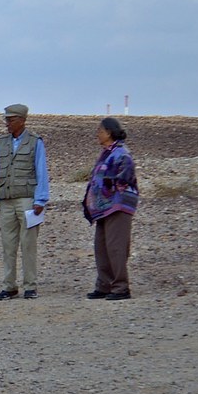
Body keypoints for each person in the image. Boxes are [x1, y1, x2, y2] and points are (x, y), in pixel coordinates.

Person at [0, 104, 49, 300]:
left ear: (22, 120)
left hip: (28, 201)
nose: (7, 123)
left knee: (28, 244)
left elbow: (41, 171)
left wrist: (40, 200)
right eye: (6, 119)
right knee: (8, 245)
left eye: (11, 120)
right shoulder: (2, 143)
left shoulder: (35, 142)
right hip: (6, 200)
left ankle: (30, 285)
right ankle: (9, 286)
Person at [82, 117, 138, 301]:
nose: (97, 134)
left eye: (100, 131)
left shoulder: (121, 153)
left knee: (116, 248)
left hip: (117, 206)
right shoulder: (106, 153)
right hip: (103, 209)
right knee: (101, 247)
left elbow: (125, 176)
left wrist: (109, 187)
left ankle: (121, 287)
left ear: (109, 132)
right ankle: (104, 285)